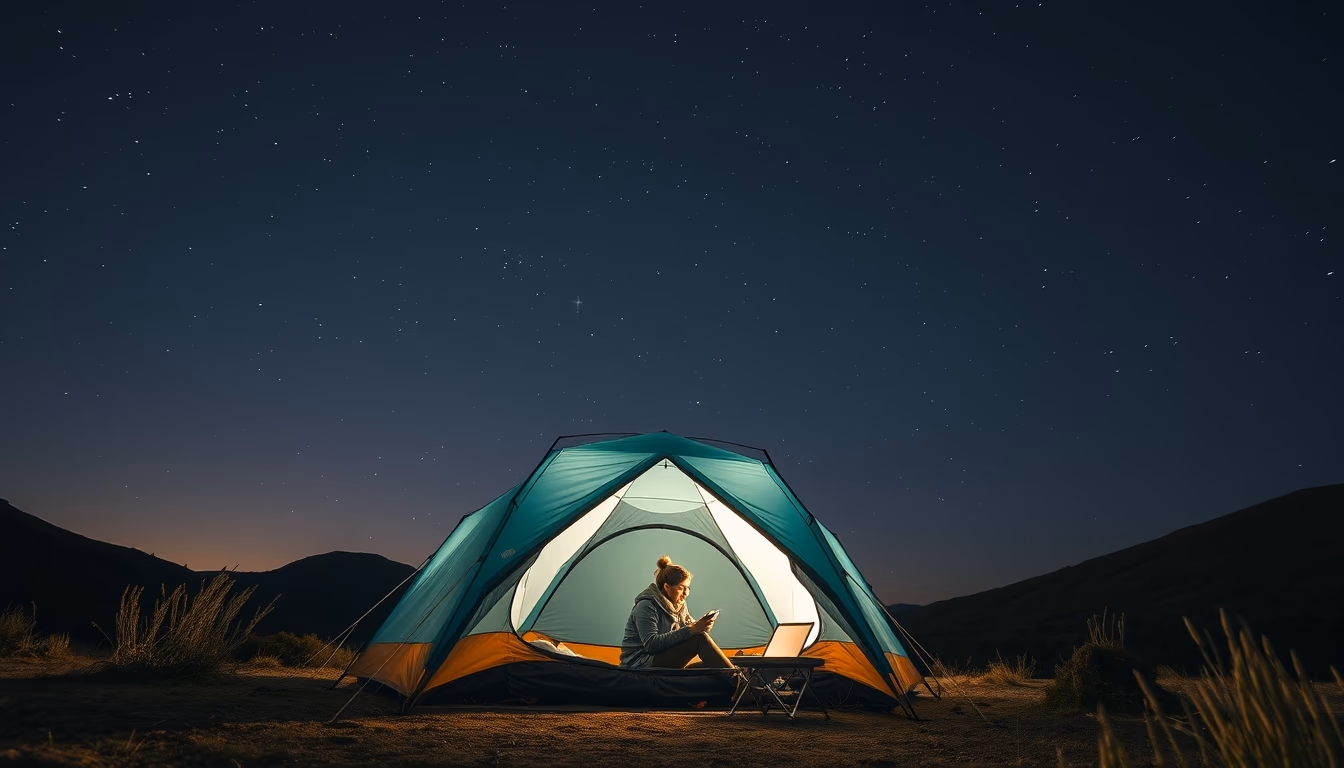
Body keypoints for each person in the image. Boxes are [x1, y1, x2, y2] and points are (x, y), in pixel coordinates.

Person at [619, 555, 734, 669]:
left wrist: (702, 627)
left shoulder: (680, 606)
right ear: (667, 587)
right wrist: (692, 630)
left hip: (663, 657)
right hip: (641, 662)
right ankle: (738, 680)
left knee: (712, 667)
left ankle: (735, 677)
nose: (686, 593)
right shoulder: (646, 606)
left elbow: (689, 631)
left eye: (688, 588)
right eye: (681, 588)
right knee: (699, 639)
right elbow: (651, 644)